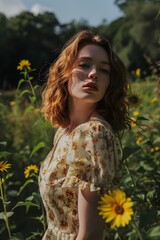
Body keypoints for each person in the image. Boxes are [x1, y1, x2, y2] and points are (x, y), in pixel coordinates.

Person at [39, 30, 130, 240]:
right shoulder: (64, 132)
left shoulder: (93, 134)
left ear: (109, 83)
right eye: (84, 64)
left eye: (104, 70)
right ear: (65, 72)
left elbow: (90, 234)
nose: (94, 73)